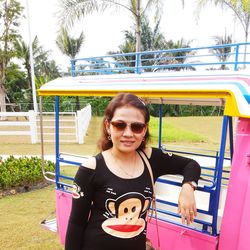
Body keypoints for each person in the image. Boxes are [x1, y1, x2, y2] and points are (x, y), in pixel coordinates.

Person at [65, 93, 201, 250]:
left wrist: (188, 188)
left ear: (144, 131)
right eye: (119, 125)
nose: (128, 134)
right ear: (108, 126)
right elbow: (76, 223)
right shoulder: (91, 168)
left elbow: (191, 165)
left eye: (136, 127)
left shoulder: (151, 158)